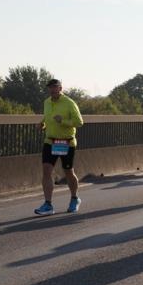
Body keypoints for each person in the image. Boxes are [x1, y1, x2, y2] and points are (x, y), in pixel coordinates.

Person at [34, 78, 85, 216]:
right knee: (46, 171)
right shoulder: (47, 102)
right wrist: (42, 125)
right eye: (50, 87)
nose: (52, 89)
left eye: (55, 87)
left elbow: (79, 122)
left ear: (60, 88)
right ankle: (48, 204)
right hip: (50, 141)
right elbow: (47, 118)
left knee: (68, 172)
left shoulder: (69, 103)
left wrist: (63, 121)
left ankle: (75, 198)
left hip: (66, 142)